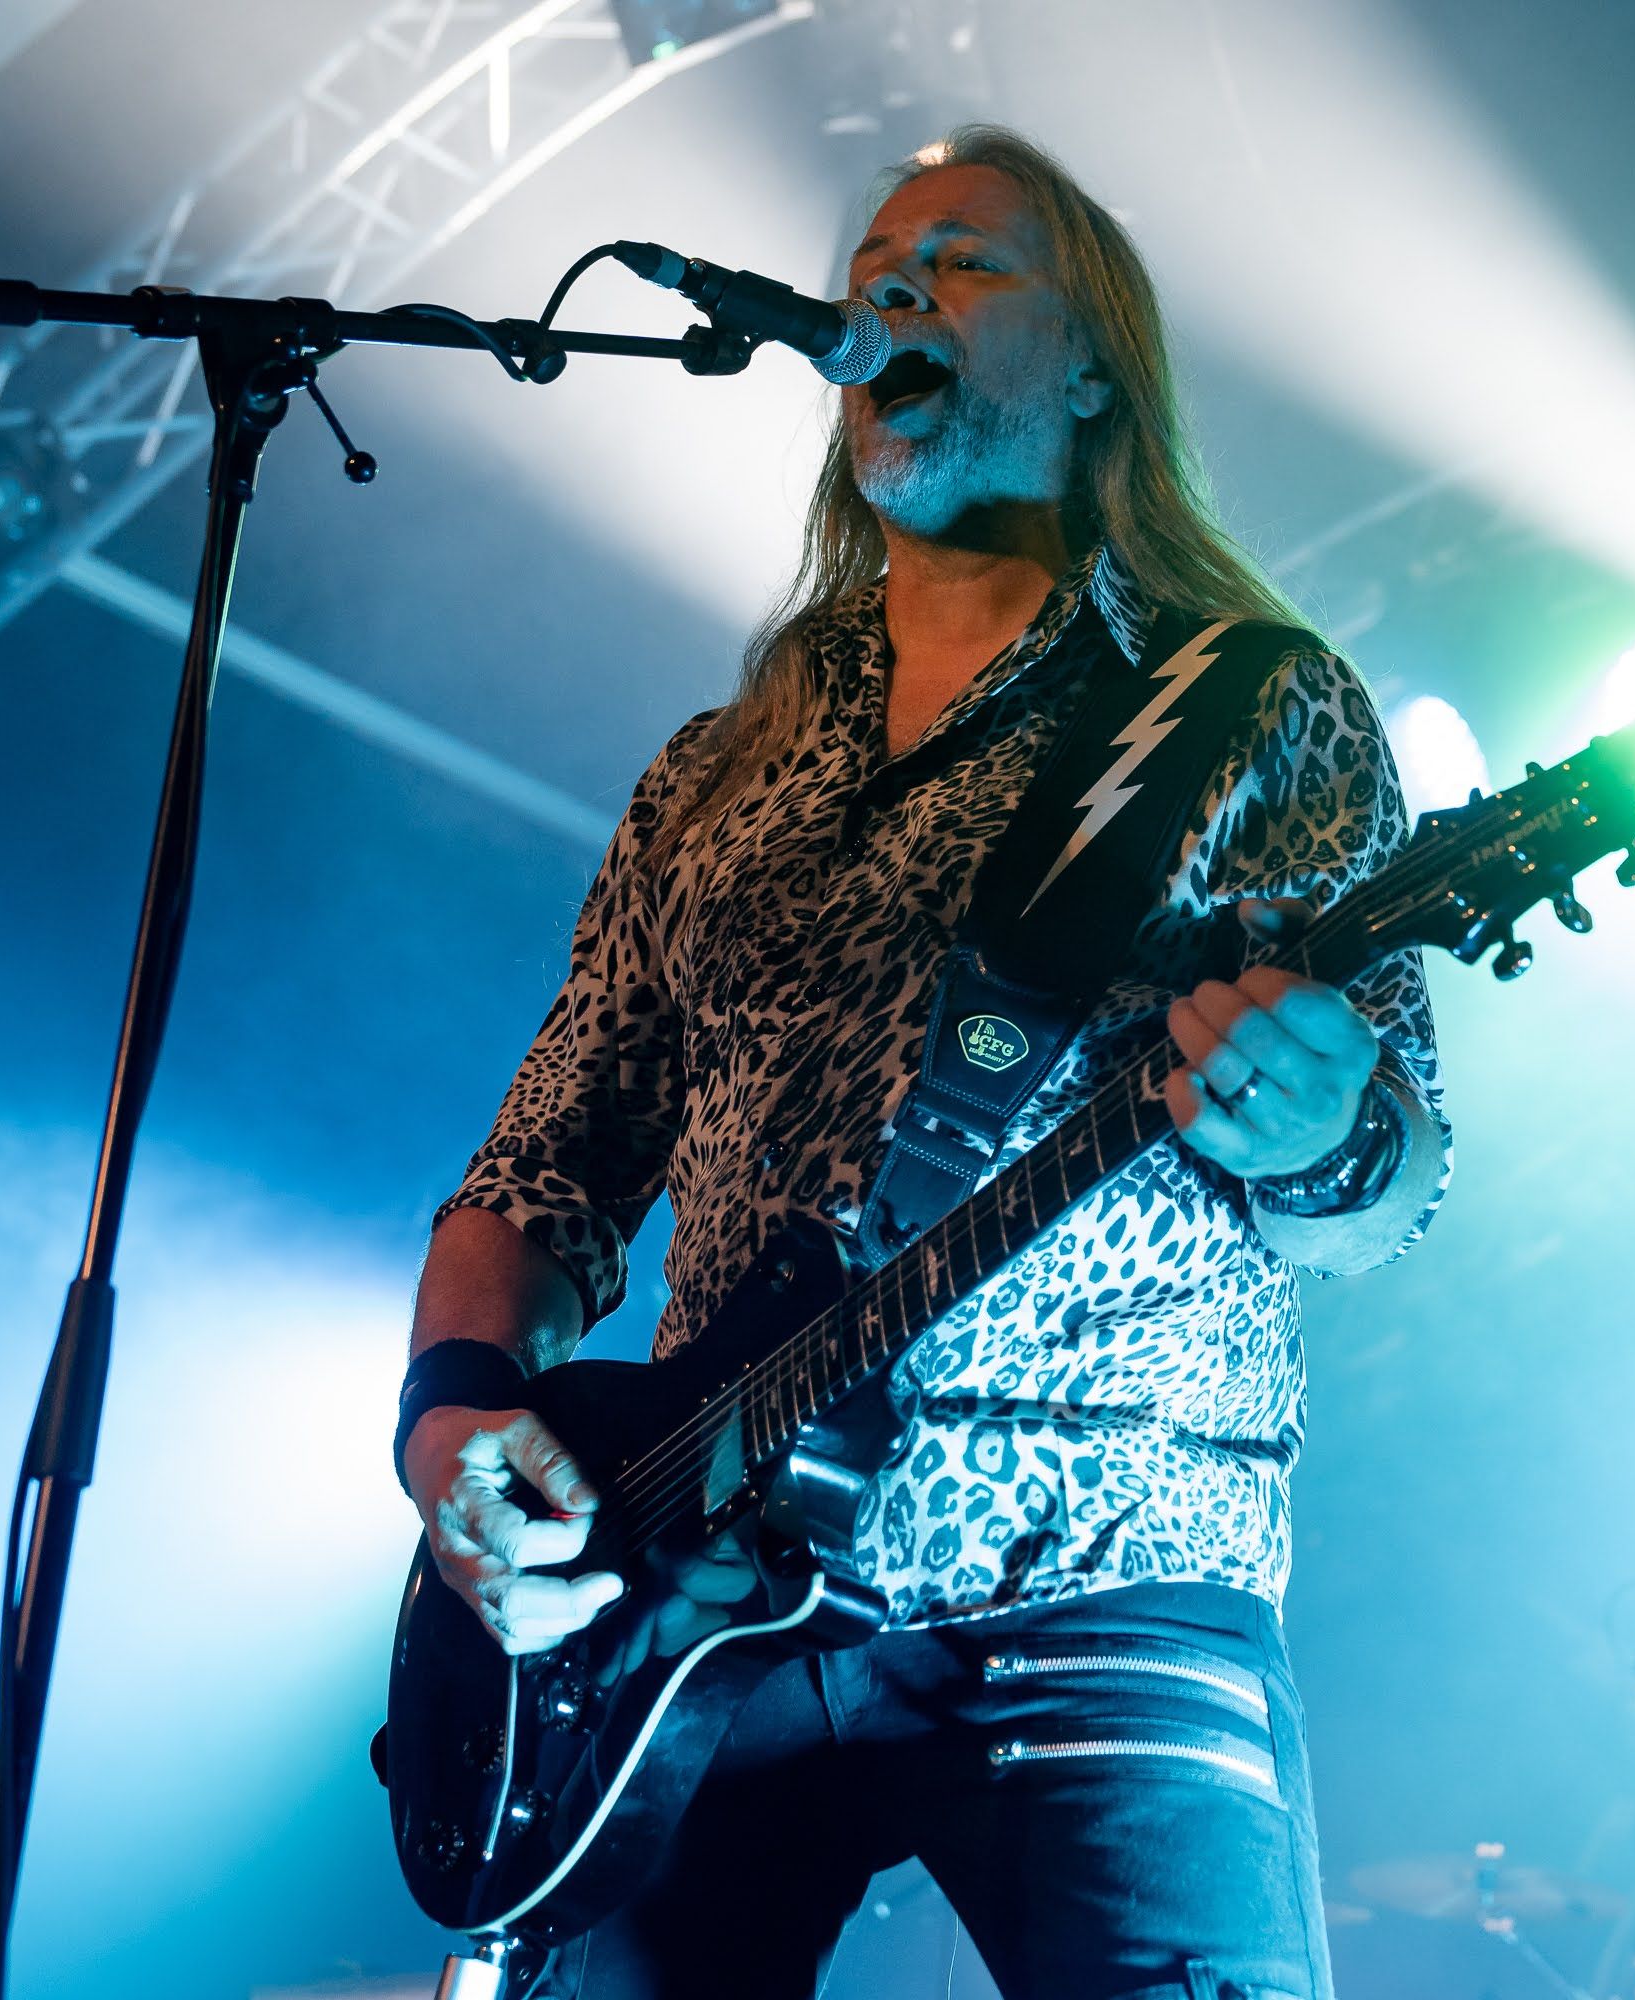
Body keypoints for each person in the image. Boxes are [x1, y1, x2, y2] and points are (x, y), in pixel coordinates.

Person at [400, 126, 1453, 2000]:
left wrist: (1323, 1132)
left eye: (963, 261)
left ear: (1095, 369)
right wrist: (456, 1420)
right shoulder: (718, 766)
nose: (892, 286)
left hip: (1105, 1552)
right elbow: (543, 1168)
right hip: (703, 1576)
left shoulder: (1247, 705)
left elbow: (1397, 1186)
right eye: (877, 261)